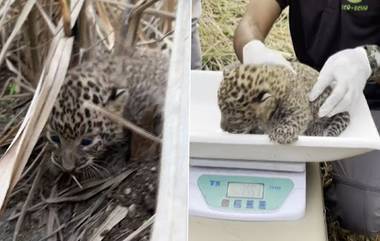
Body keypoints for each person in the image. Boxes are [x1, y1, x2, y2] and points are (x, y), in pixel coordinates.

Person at [233, 0, 380, 235]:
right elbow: (250, 22)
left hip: (372, 100)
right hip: (309, 89)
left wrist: (368, 61)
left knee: (366, 210)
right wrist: (253, 48)